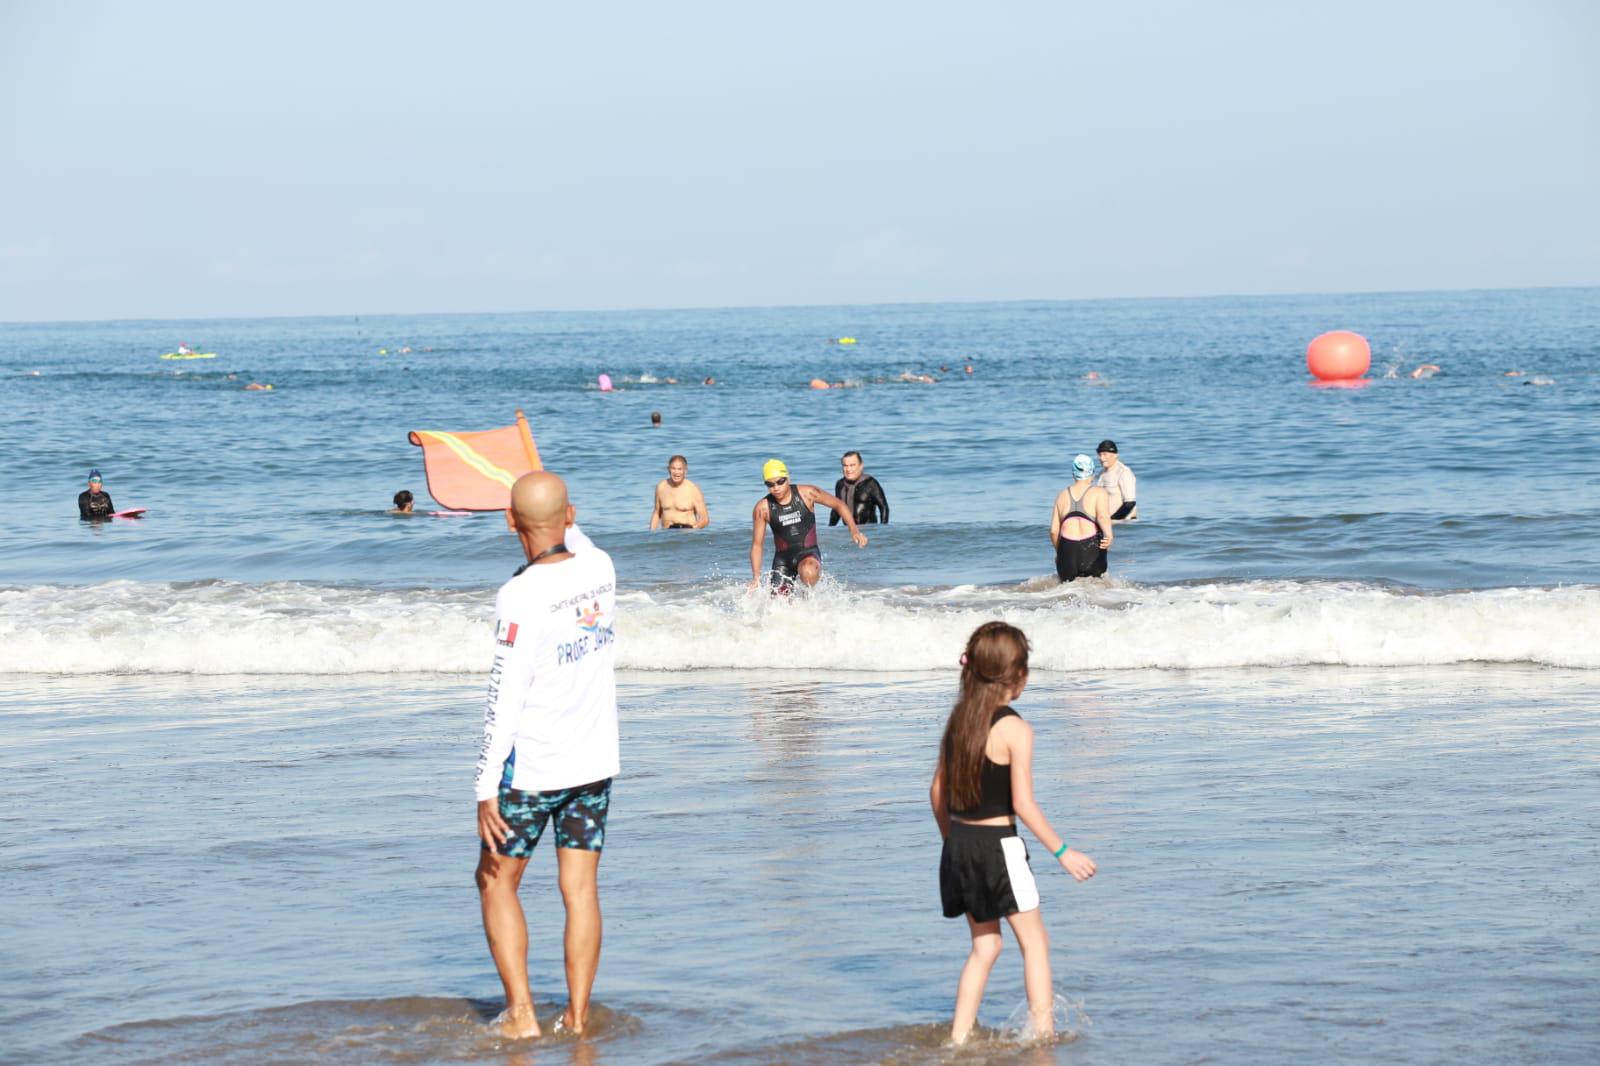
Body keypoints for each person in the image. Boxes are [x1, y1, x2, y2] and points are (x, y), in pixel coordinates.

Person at [474, 472, 620, 1040]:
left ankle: (523, 1016)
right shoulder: (602, 568)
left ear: (510, 522)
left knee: (494, 881)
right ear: (571, 514)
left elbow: (503, 697)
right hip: (596, 762)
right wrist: (560, 512)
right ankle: (579, 1019)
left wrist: (485, 783)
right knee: (580, 890)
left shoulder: (519, 595)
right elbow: (572, 533)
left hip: (533, 771)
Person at [930, 622, 1096, 1044]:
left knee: (985, 947)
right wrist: (1063, 852)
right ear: (1017, 676)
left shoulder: (959, 720)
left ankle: (959, 1039)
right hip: (998, 847)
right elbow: (1022, 803)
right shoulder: (1016, 730)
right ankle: (1043, 1036)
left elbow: (936, 791)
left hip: (960, 846)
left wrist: (952, 841)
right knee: (1035, 943)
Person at [747, 459, 867, 592]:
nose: (776, 487)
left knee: (808, 571)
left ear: (788, 478)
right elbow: (757, 545)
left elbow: (839, 505)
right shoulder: (762, 508)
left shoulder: (807, 493)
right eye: (770, 484)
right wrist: (756, 577)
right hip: (783, 561)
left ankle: (809, 597)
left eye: (780, 481)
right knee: (778, 606)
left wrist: (854, 531)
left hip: (808, 555)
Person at [1051, 455, 1113, 582]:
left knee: (1067, 592)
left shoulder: (1061, 495)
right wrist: (1109, 535)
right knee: (1097, 587)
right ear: (1092, 473)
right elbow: (1103, 516)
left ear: (1073, 474)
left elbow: (1053, 531)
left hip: (1067, 552)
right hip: (1090, 550)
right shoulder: (1098, 492)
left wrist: (1060, 553)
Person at [649, 455, 710, 530]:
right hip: (666, 534)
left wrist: (692, 530)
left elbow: (705, 519)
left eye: (679, 469)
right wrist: (651, 534)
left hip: (686, 534)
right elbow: (657, 513)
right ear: (668, 469)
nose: (676, 472)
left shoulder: (693, 489)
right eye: (673, 468)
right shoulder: (661, 487)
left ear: (685, 470)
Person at [830, 451, 889, 526]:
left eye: (852, 465)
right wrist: (830, 529)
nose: (848, 469)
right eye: (845, 466)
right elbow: (836, 510)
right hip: (847, 531)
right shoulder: (840, 484)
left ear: (861, 466)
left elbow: (883, 507)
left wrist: (883, 530)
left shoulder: (870, 483)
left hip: (869, 531)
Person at [1093, 440, 1137, 520]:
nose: (1102, 458)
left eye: (1105, 454)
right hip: (1106, 524)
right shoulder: (1101, 474)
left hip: (1123, 524)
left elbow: (1130, 503)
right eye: (1099, 455)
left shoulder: (1123, 472)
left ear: (1115, 455)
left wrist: (1111, 520)